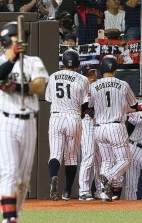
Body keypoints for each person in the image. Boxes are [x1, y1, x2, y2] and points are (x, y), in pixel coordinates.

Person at [0, 21, 49, 223]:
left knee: (23, 181)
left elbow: (40, 87)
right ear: (6, 40)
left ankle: (15, 216)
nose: (21, 41)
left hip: (28, 121)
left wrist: (17, 87)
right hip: (4, 120)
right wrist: (12, 58)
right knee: (9, 171)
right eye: (15, 38)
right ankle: (9, 219)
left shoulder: (33, 61)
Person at [88, 55, 142, 202]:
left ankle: (103, 193)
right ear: (115, 69)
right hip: (116, 126)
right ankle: (108, 177)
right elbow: (134, 105)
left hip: (99, 128)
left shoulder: (93, 85)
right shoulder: (123, 84)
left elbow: (88, 108)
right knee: (126, 161)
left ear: (102, 68)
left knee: (107, 161)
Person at [45, 50, 89, 201]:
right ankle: (67, 191)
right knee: (71, 157)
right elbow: (87, 104)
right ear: (77, 63)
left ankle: (54, 177)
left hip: (56, 117)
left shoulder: (52, 77)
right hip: (73, 118)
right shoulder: (83, 79)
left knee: (55, 155)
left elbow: (49, 98)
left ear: (63, 63)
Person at [78, 68, 102, 201]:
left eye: (94, 73)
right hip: (87, 122)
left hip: (100, 123)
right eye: (89, 74)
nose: (93, 76)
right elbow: (86, 109)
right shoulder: (82, 89)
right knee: (89, 155)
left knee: (100, 158)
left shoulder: (98, 88)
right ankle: (84, 190)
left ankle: (99, 189)